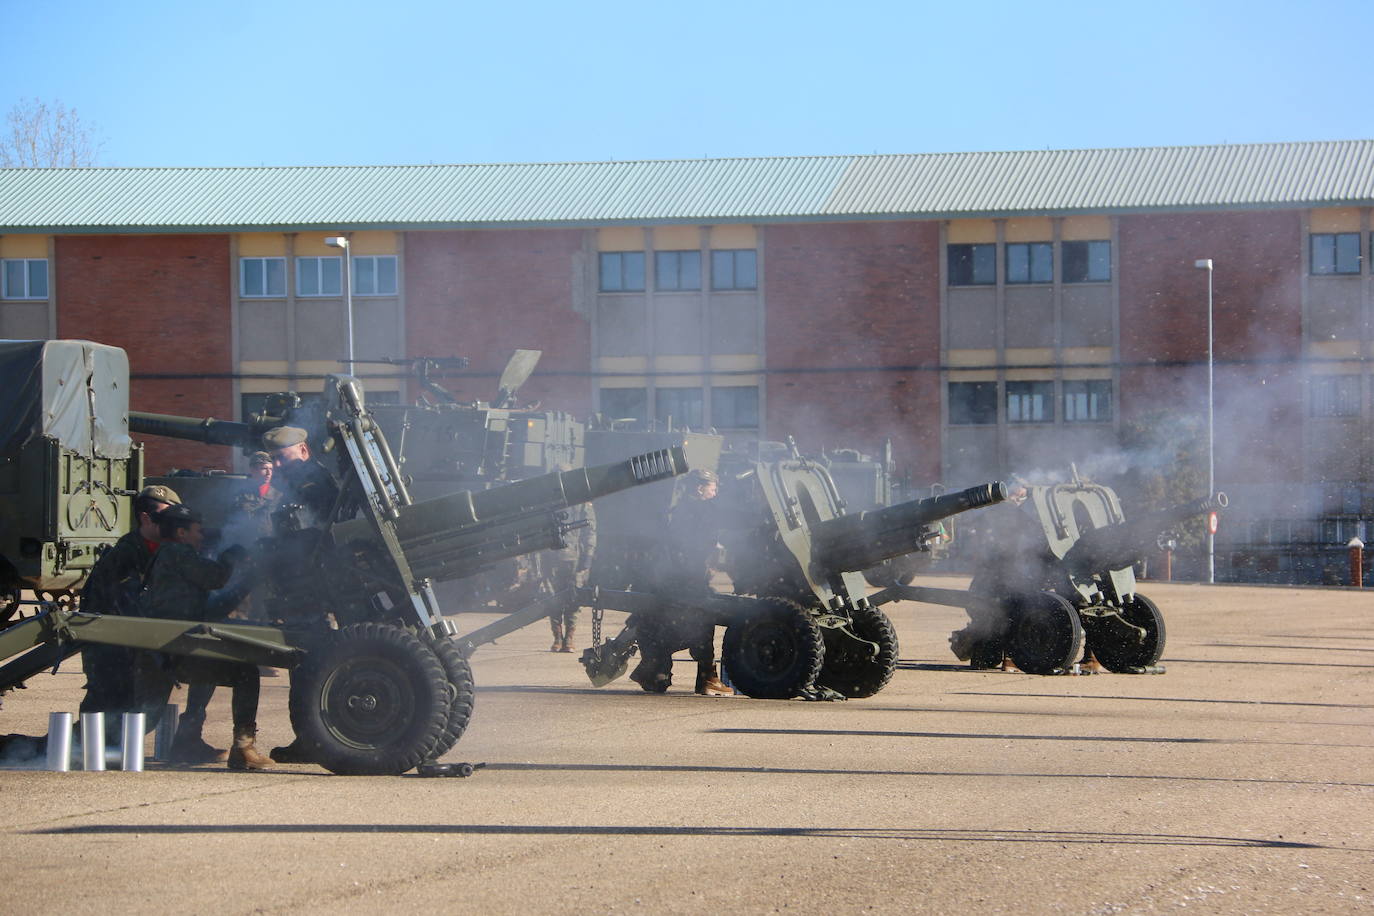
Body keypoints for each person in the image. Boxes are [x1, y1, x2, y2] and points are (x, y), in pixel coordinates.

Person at [134, 503, 269, 770]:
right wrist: (234, 560)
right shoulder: (178, 553)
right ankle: (243, 748)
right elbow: (216, 578)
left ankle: (187, 740)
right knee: (246, 673)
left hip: (172, 643)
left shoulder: (169, 554)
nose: (201, 536)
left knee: (209, 668)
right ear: (182, 533)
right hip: (174, 647)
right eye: (197, 531)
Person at [77, 484, 181, 725]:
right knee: (105, 711)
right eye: (167, 516)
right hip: (112, 645)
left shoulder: (169, 550)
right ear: (146, 518)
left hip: (143, 644)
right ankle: (30, 749)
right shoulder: (126, 553)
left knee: (145, 716)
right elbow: (124, 604)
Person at [628, 468, 734, 696]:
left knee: (670, 624)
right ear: (700, 488)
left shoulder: (678, 511)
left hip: (672, 580)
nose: (715, 493)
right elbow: (694, 547)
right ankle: (705, 678)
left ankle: (656, 670)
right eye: (712, 489)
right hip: (686, 580)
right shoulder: (699, 511)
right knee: (702, 621)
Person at [544, 498, 596, 652]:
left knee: (573, 600)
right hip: (552, 558)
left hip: (575, 559)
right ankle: (558, 637)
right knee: (553, 599)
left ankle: (569, 638)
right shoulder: (548, 504)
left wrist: (588, 557)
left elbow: (590, 531)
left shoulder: (582, 503)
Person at [262, 426, 339, 527]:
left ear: (303, 450)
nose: (277, 464)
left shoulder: (316, 481)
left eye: (282, 456)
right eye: (273, 458)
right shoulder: (293, 483)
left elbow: (317, 528)